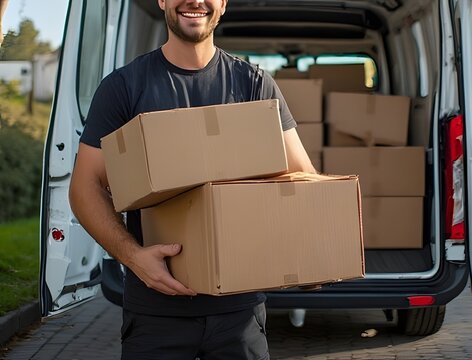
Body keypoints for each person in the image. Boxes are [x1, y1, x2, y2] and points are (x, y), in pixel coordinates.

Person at [68, 0, 316, 359]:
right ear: (163, 1)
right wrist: (134, 257)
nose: (196, 1)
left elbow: (300, 179)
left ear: (224, 4)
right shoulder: (124, 87)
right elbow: (84, 187)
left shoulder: (254, 85)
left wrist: (304, 251)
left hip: (239, 312)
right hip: (155, 311)